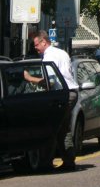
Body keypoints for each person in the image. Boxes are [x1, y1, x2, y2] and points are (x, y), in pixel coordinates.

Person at [24, 31, 79, 171]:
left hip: (62, 95)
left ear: (44, 42)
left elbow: (51, 82)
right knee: (62, 128)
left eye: (36, 44)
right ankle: (68, 161)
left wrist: (30, 79)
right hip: (71, 93)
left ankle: (46, 163)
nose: (35, 47)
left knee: (52, 128)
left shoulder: (49, 56)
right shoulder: (61, 52)